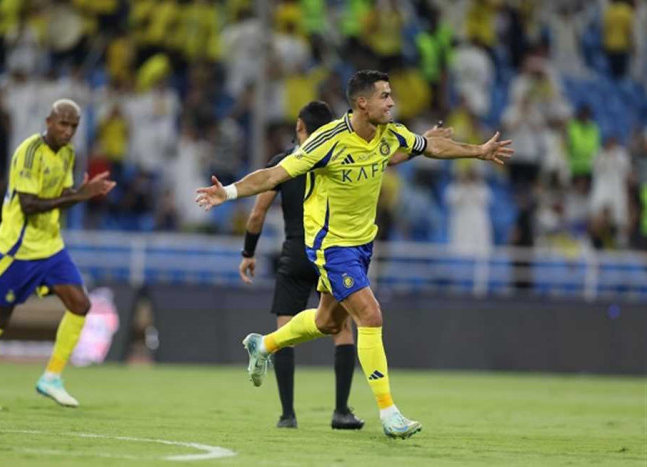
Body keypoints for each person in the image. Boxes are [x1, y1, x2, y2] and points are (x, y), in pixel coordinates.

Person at [196, 70, 513, 439]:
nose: (392, 102)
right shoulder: (327, 141)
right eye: (384, 96)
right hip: (330, 245)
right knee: (370, 315)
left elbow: (430, 147)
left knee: (328, 322)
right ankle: (389, 413)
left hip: (362, 243)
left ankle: (262, 344)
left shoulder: (390, 133)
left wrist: (478, 151)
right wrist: (228, 192)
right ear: (363, 103)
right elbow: (272, 175)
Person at [0, 99, 116, 410]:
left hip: (50, 246)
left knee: (81, 305)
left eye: (73, 126)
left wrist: (81, 193)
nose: (68, 131)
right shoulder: (29, 152)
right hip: (18, 249)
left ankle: (51, 378)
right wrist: (79, 196)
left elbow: (61, 195)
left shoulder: (69, 154)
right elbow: (29, 204)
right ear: (48, 122)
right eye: (63, 123)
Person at [239, 101, 363, 430]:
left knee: (284, 331)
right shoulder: (340, 157)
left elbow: (257, 213)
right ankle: (341, 412)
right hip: (330, 254)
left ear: (299, 126)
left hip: (295, 252)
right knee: (342, 329)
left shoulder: (284, 163)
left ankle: (287, 415)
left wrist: (248, 253)